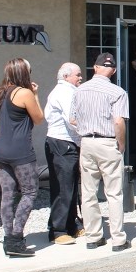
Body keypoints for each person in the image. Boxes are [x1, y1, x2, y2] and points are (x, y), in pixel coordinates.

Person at [71, 53, 131, 252]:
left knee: (88, 192)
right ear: (113, 71)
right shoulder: (118, 92)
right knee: (113, 192)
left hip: (87, 141)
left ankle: (93, 236)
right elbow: (118, 121)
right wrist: (121, 144)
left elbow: (72, 119)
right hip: (107, 142)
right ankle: (118, 239)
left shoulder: (80, 90)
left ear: (95, 68)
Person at [0, 58, 44, 257]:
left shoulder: (0, 93)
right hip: (21, 151)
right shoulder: (24, 93)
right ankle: (16, 238)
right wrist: (36, 94)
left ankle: (8, 237)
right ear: (24, 72)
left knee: (7, 194)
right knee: (30, 192)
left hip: (1, 150)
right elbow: (39, 118)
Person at [44, 62, 84, 245]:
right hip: (63, 143)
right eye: (78, 74)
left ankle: (70, 226)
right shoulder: (65, 92)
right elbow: (73, 119)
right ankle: (58, 231)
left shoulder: (61, 91)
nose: (80, 77)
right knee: (63, 187)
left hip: (62, 143)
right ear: (66, 76)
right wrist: (88, 132)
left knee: (70, 186)